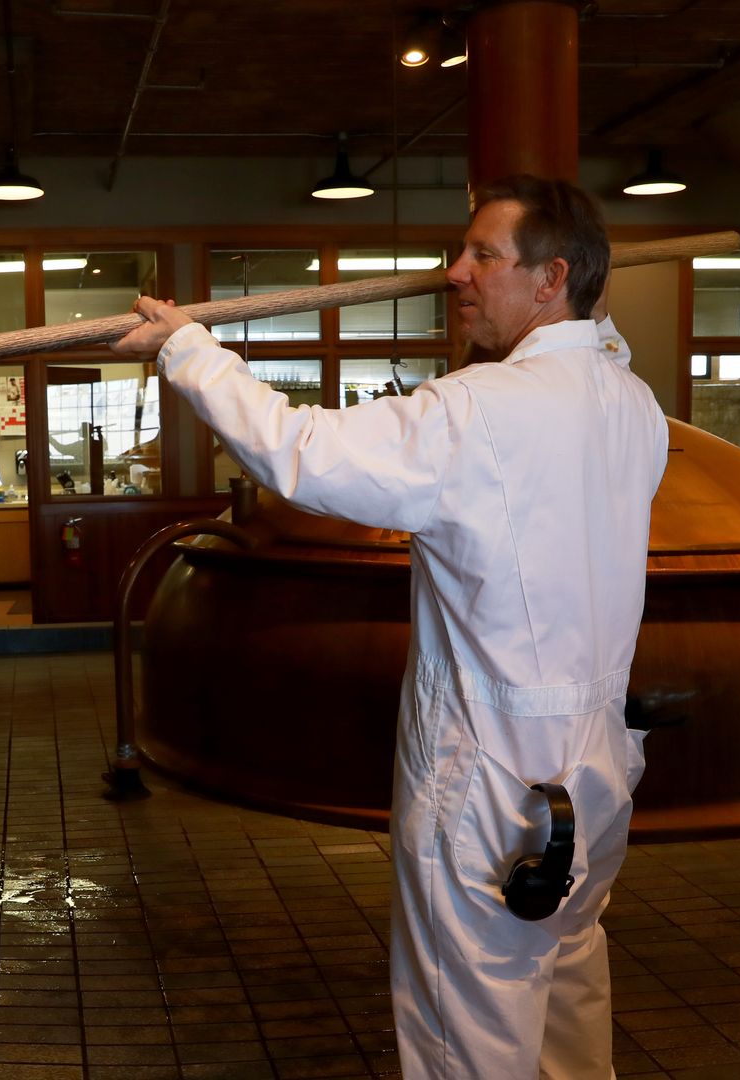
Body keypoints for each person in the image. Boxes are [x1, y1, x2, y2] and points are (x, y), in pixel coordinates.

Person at [113, 175, 667, 1078]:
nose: (455, 273)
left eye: (483, 255)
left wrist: (190, 352)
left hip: (495, 774)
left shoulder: (481, 410)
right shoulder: (630, 401)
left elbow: (303, 451)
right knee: (567, 978)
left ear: (550, 278)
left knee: (471, 1027)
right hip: (598, 764)